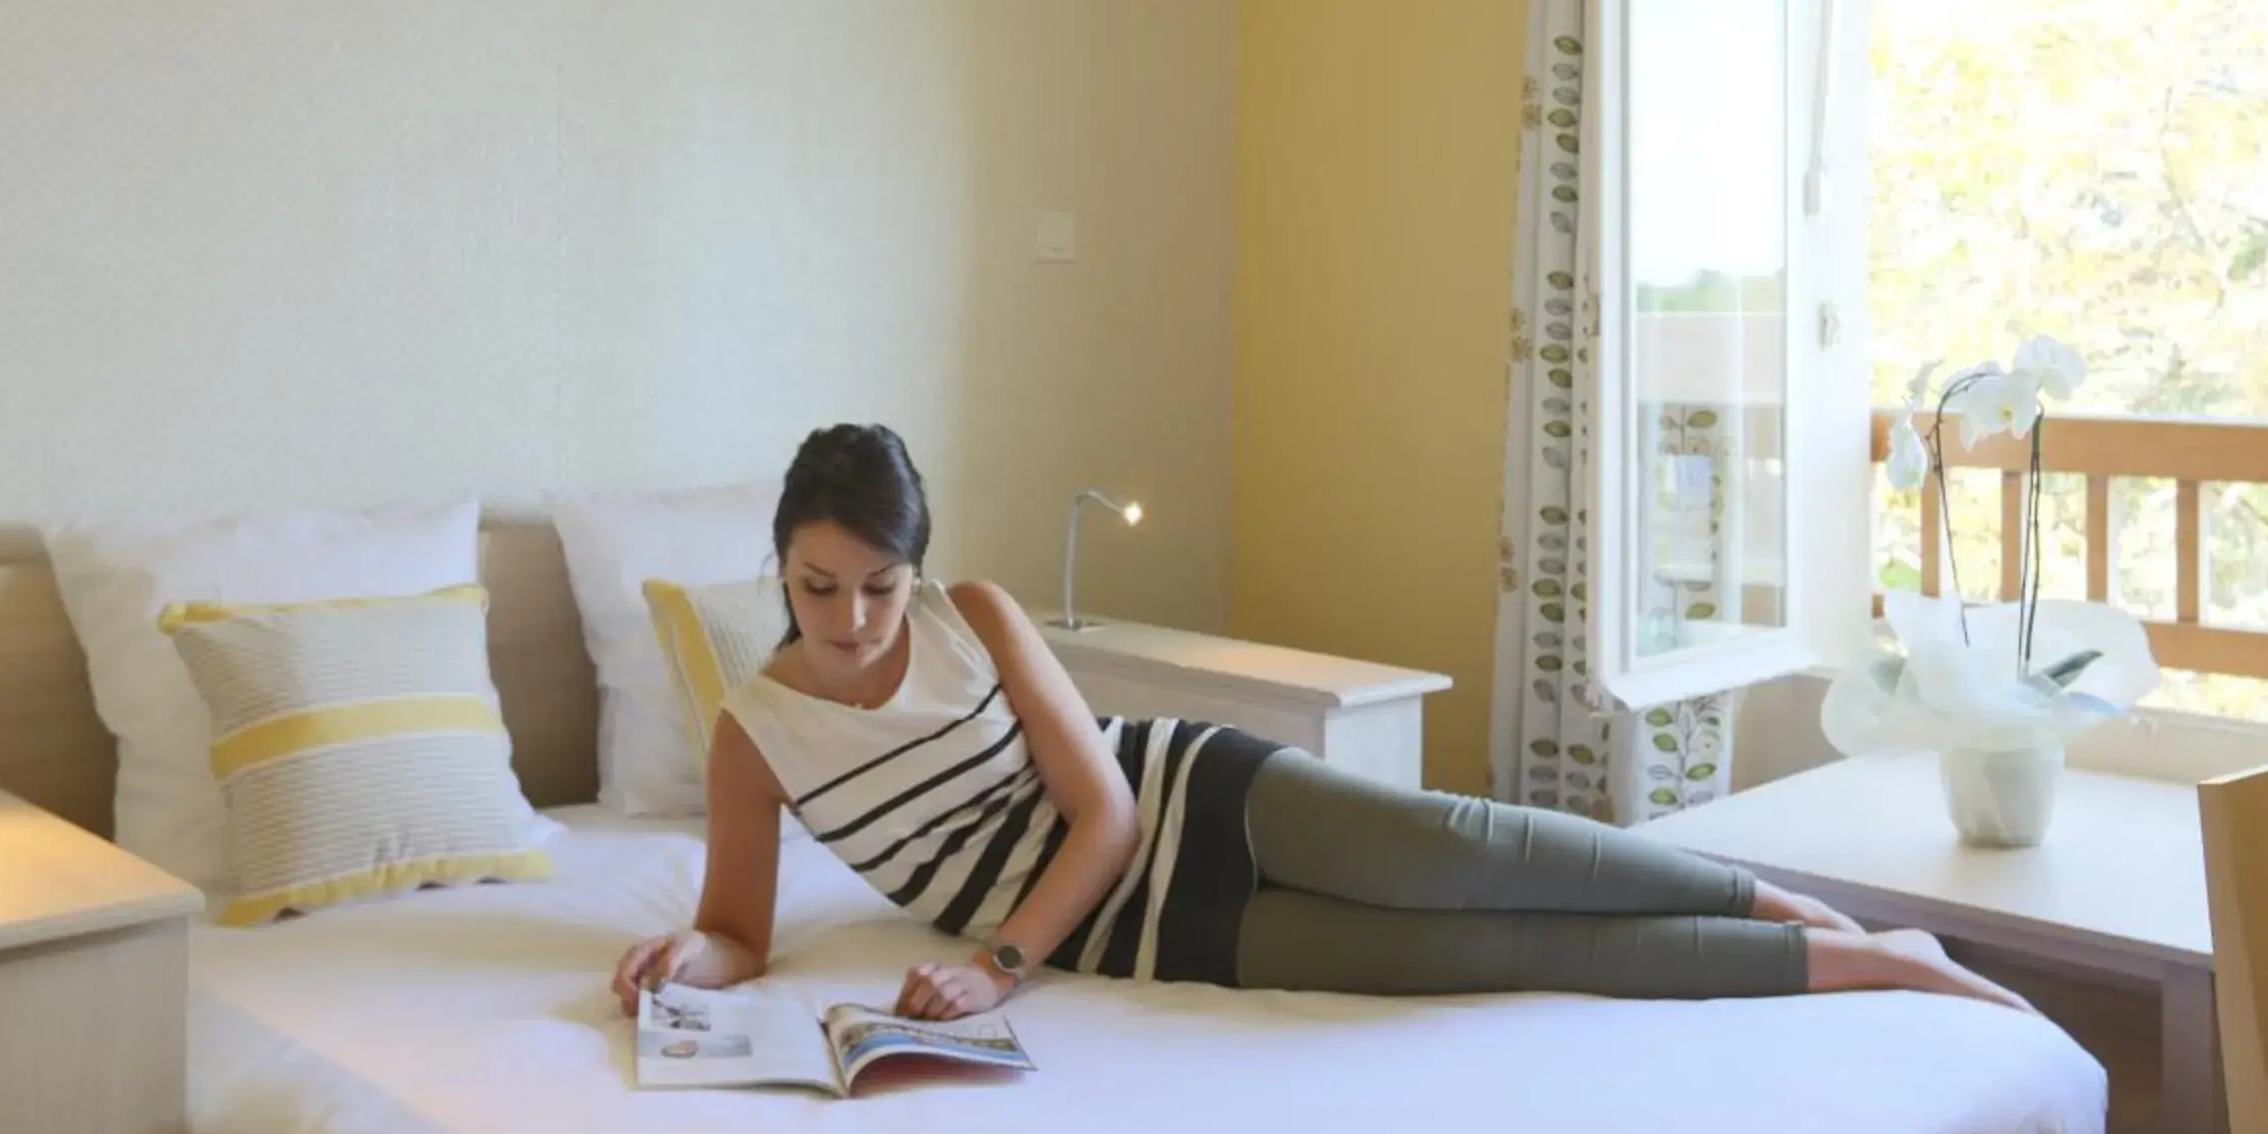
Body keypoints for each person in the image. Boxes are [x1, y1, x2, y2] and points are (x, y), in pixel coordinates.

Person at [613, 424, 2030, 1023]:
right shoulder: (758, 733)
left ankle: (1794, 906)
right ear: (777, 570)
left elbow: (1099, 804)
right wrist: (683, 958)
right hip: (1148, 934)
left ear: (917, 570)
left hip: (1180, 802)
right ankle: (1865, 973)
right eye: (817, 589)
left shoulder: (975, 614)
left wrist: (996, 967)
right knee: (1462, 956)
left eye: (878, 586)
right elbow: (740, 927)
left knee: (1467, 849)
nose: (851, 621)